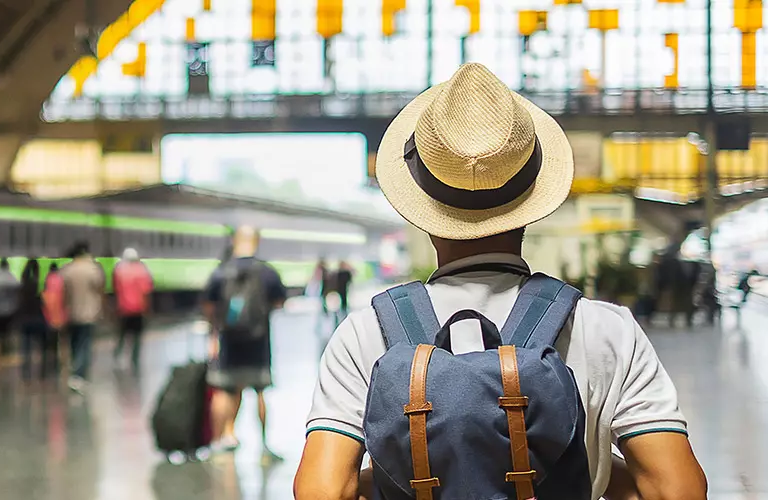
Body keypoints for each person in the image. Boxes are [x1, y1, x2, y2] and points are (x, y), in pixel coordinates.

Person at [294, 63, 705, 500]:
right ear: (531, 200)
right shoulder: (607, 329)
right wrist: (592, 467)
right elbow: (676, 489)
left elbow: (321, 490)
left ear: (425, 210)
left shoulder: (366, 333)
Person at [203, 224, 286, 462]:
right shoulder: (267, 272)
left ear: (234, 241)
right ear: (257, 241)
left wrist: (214, 335)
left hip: (229, 341)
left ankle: (220, 439)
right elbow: (280, 301)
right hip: (258, 342)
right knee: (260, 393)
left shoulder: (220, 272)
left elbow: (209, 307)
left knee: (225, 390)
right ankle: (264, 444)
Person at [59, 241, 106, 393]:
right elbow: (100, 290)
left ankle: (75, 370)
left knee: (74, 343)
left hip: (72, 312)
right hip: (89, 313)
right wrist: (102, 309)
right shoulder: (93, 269)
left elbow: (64, 293)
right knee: (85, 345)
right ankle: (79, 375)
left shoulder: (67, 270)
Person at [112, 247, 155, 369]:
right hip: (138, 309)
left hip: (123, 309)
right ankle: (134, 360)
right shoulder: (142, 271)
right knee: (137, 336)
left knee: (122, 335)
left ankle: (117, 356)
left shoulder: (119, 270)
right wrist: (148, 308)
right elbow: (146, 292)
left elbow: (116, 290)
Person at [16, 258, 49, 379]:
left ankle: (26, 373)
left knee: (26, 349)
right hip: (38, 319)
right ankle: (43, 372)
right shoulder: (39, 286)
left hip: (25, 320)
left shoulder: (22, 288)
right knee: (43, 348)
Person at [42, 262, 66, 374]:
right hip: (60, 315)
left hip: (49, 316)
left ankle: (48, 365)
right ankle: (59, 364)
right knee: (60, 341)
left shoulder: (47, 280)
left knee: (49, 343)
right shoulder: (61, 280)